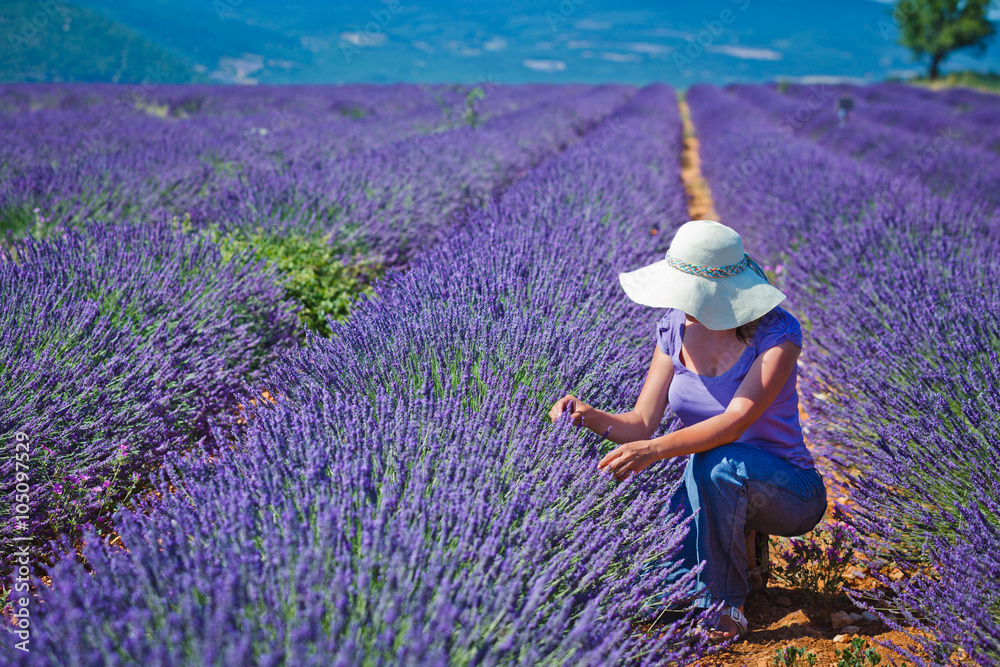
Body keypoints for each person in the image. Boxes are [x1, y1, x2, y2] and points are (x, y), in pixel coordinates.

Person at [548, 220, 827, 643]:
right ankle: (739, 549)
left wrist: (654, 451)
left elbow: (735, 422)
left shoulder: (777, 334)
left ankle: (725, 607)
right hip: (708, 484)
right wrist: (586, 415)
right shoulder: (673, 329)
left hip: (790, 490)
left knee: (715, 462)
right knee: (654, 592)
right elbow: (640, 423)